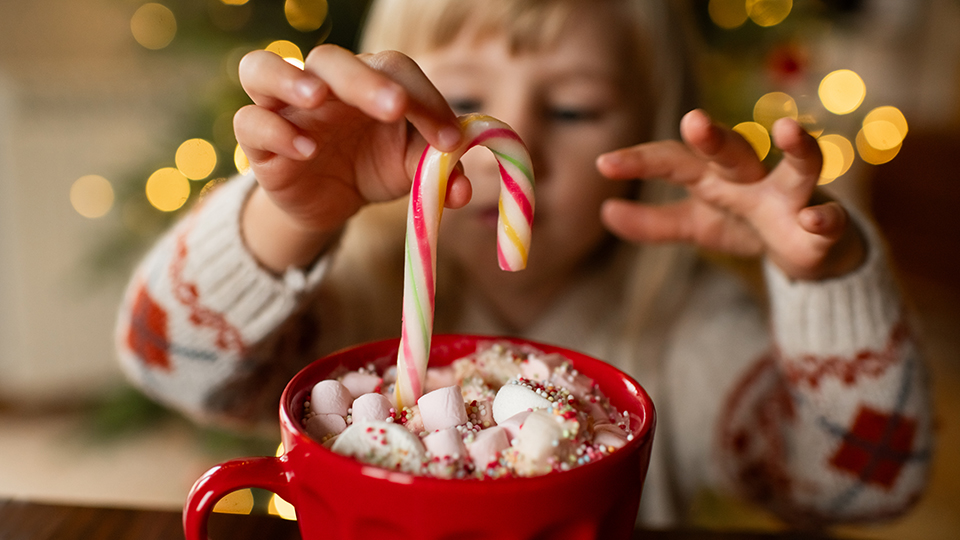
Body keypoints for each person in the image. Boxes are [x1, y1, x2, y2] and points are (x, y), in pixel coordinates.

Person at [115, 0, 932, 529]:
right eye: (460, 98)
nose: (515, 141)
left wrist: (829, 279)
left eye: (574, 107)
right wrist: (286, 216)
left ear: (644, 134)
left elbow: (870, 483)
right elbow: (163, 361)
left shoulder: (688, 335)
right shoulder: (352, 303)